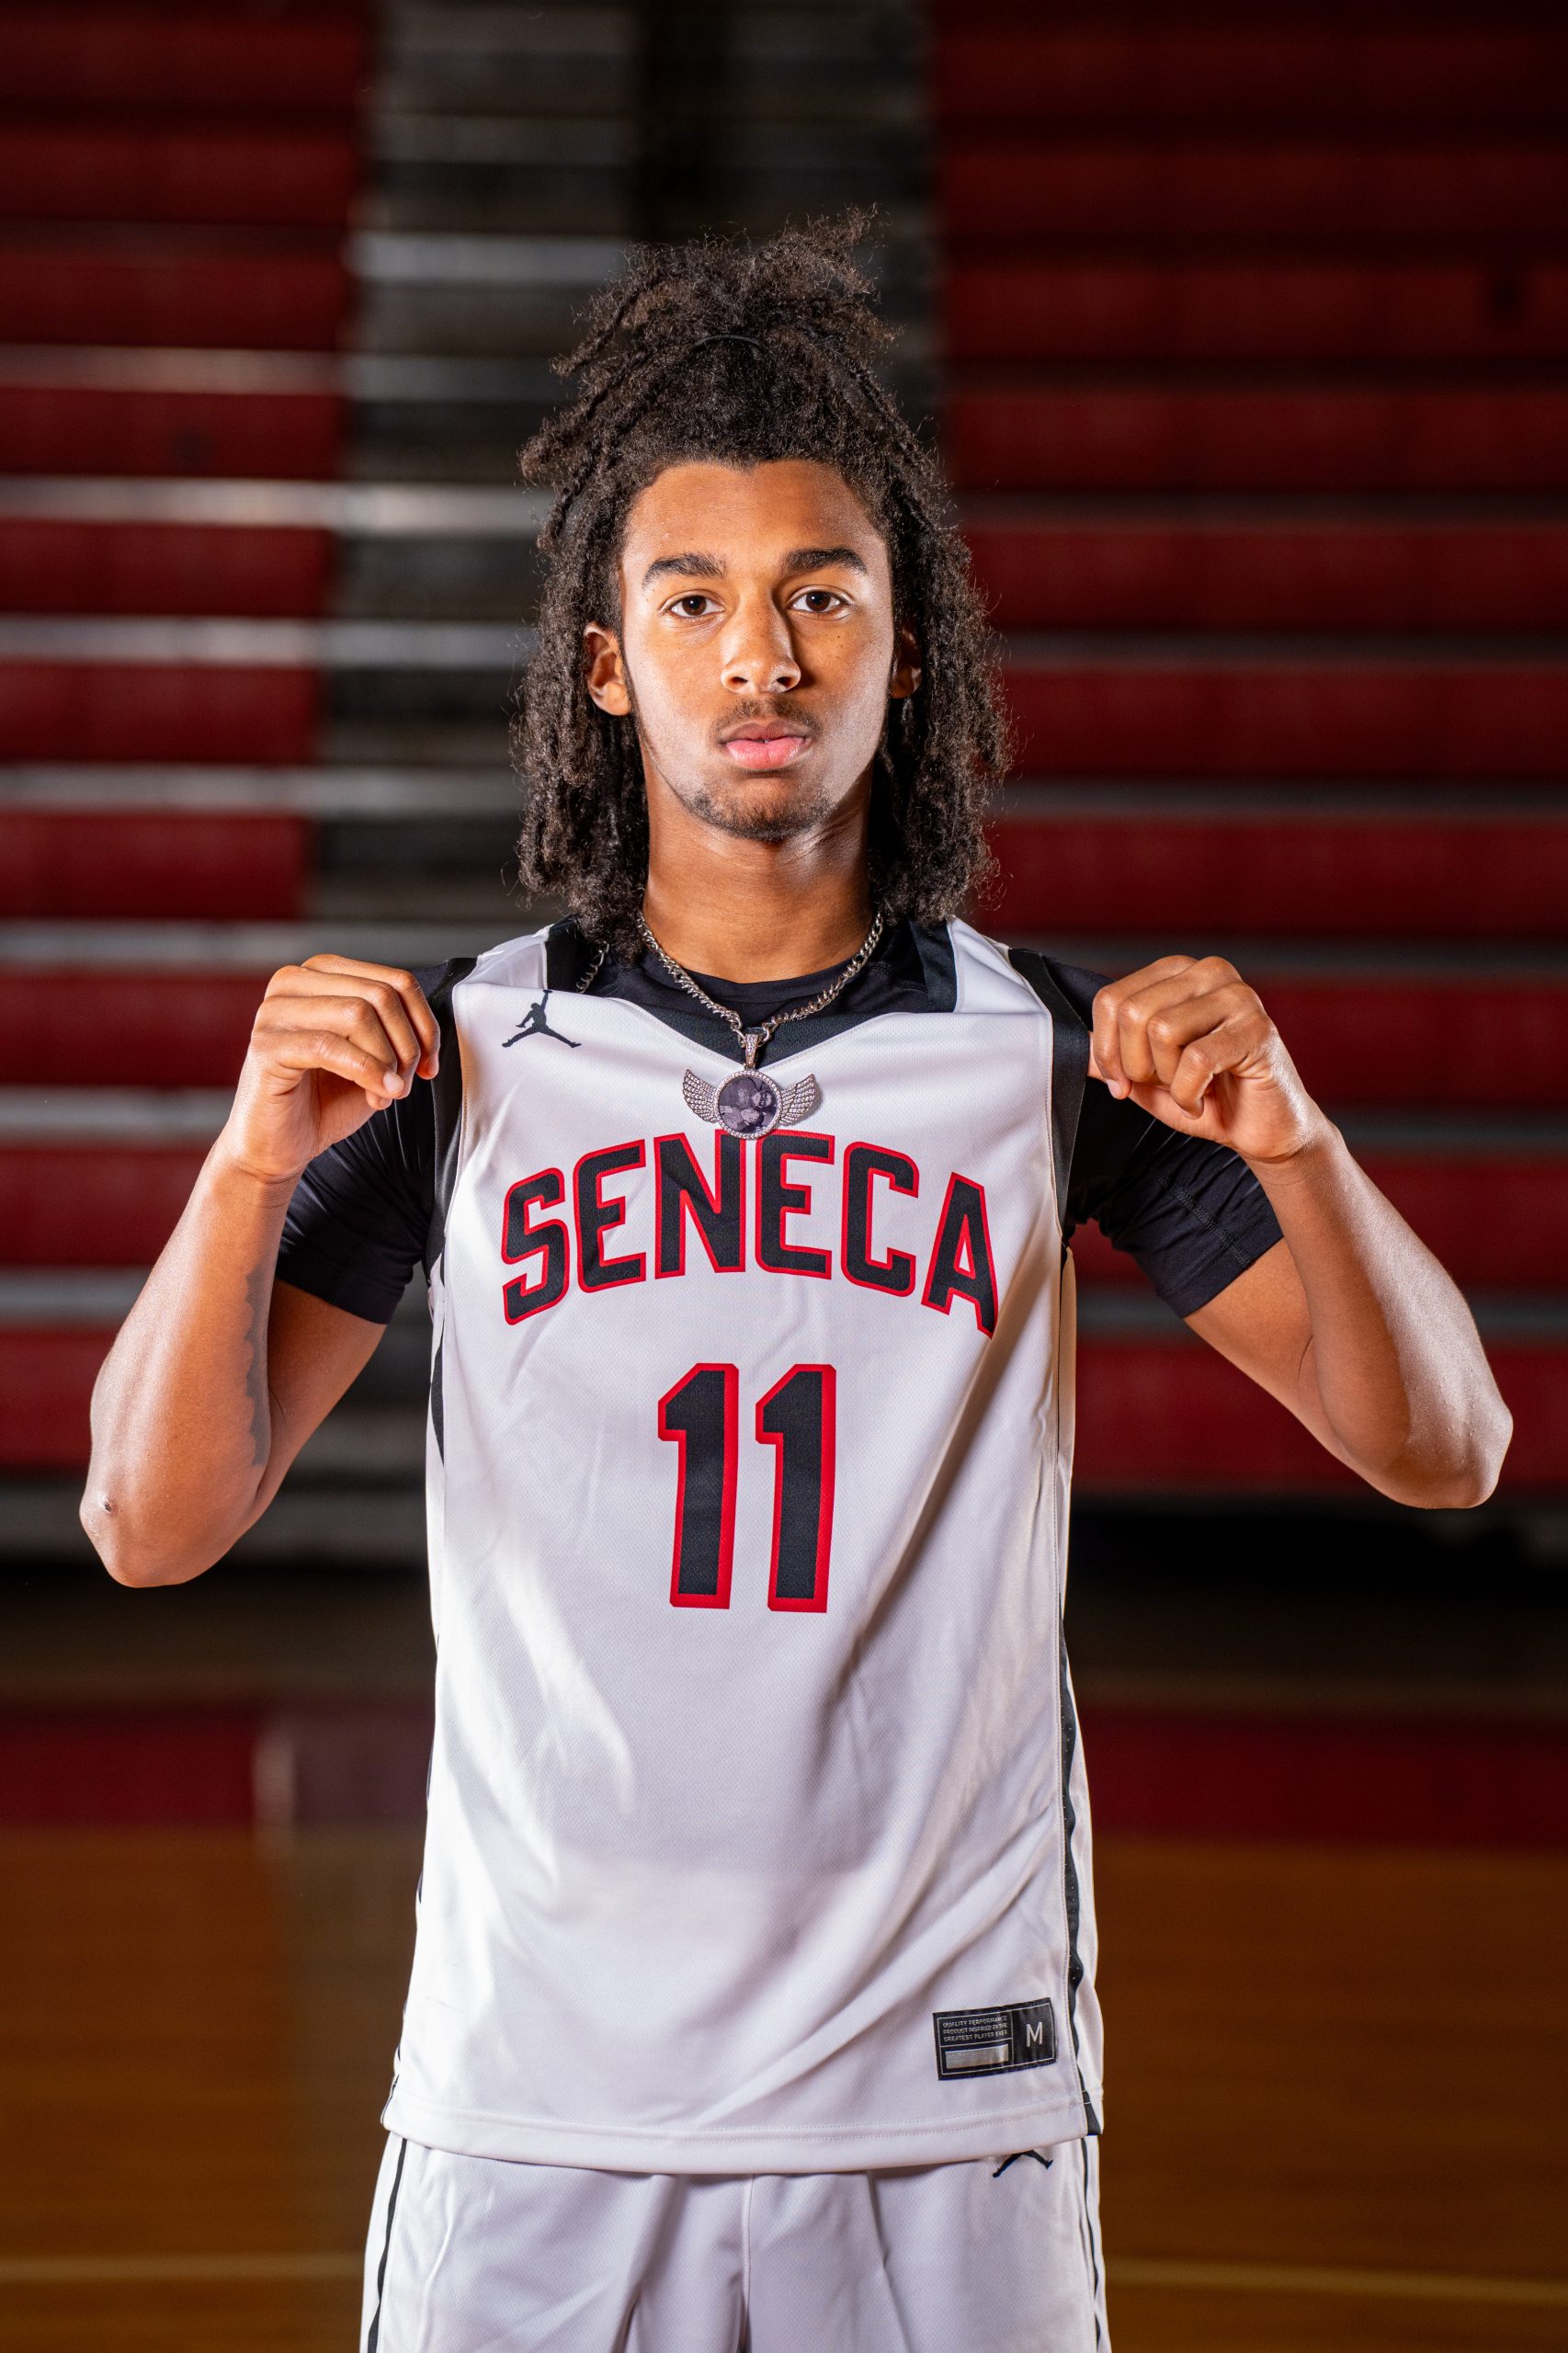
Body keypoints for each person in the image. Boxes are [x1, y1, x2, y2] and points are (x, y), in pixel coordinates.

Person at [82, 222, 1511, 2353]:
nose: (759, 654)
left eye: (820, 594)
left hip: (942, 2096)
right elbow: (146, 1521)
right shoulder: (458, 1059)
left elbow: (1449, 1450)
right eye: (693, 599)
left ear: (905, 647)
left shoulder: (1044, 1057)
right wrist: (239, 1165)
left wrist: (1298, 1143)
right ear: (606, 662)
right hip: (540, 2088)